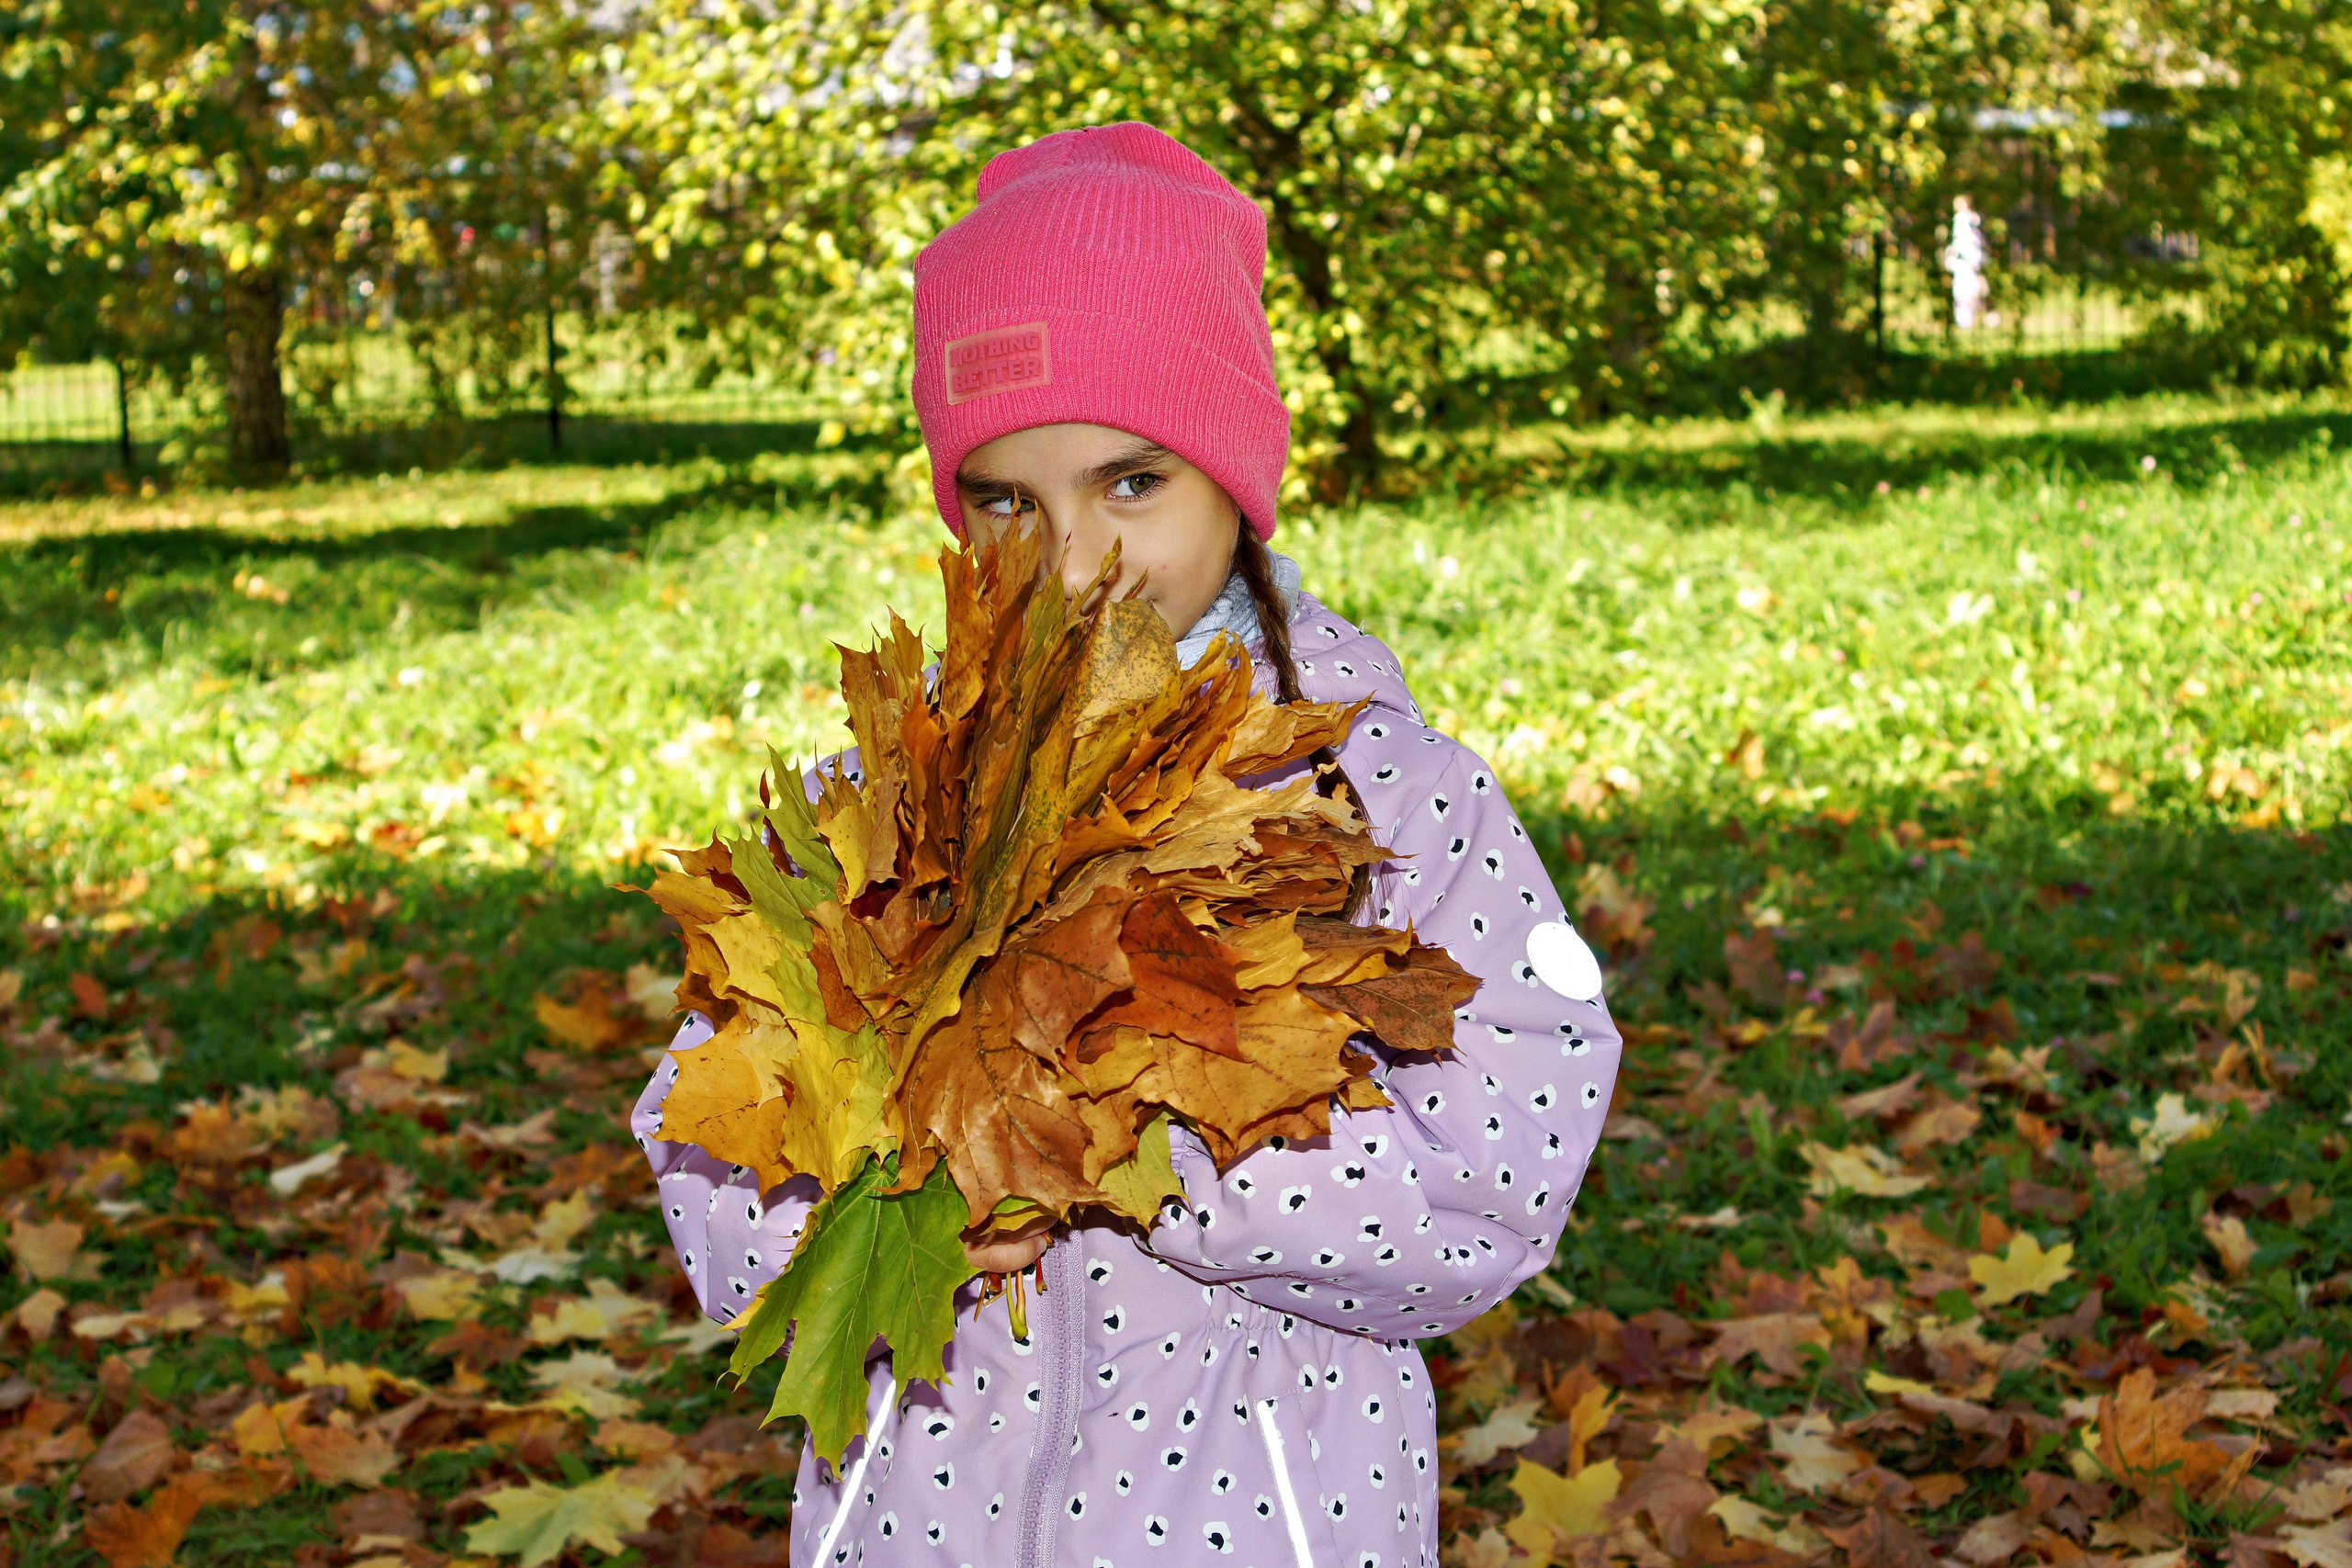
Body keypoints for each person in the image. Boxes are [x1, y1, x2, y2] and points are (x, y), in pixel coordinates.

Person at [632, 121, 1624, 1568]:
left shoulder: (1394, 802)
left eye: (1133, 481)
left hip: (1265, 1516)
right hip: (923, 1518)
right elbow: (711, 1137)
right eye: (1009, 500)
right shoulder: (893, 805)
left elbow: (1491, 1180)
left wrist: (1151, 1144)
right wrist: (870, 1233)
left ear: (1236, 475)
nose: (1080, 554)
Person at [1944, 195, 1990, 331]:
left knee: (1965, 293)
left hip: (1966, 264)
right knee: (1966, 293)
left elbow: (1965, 243)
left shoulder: (1964, 221)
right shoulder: (1971, 220)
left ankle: (1966, 323)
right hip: (1967, 263)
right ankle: (1967, 323)